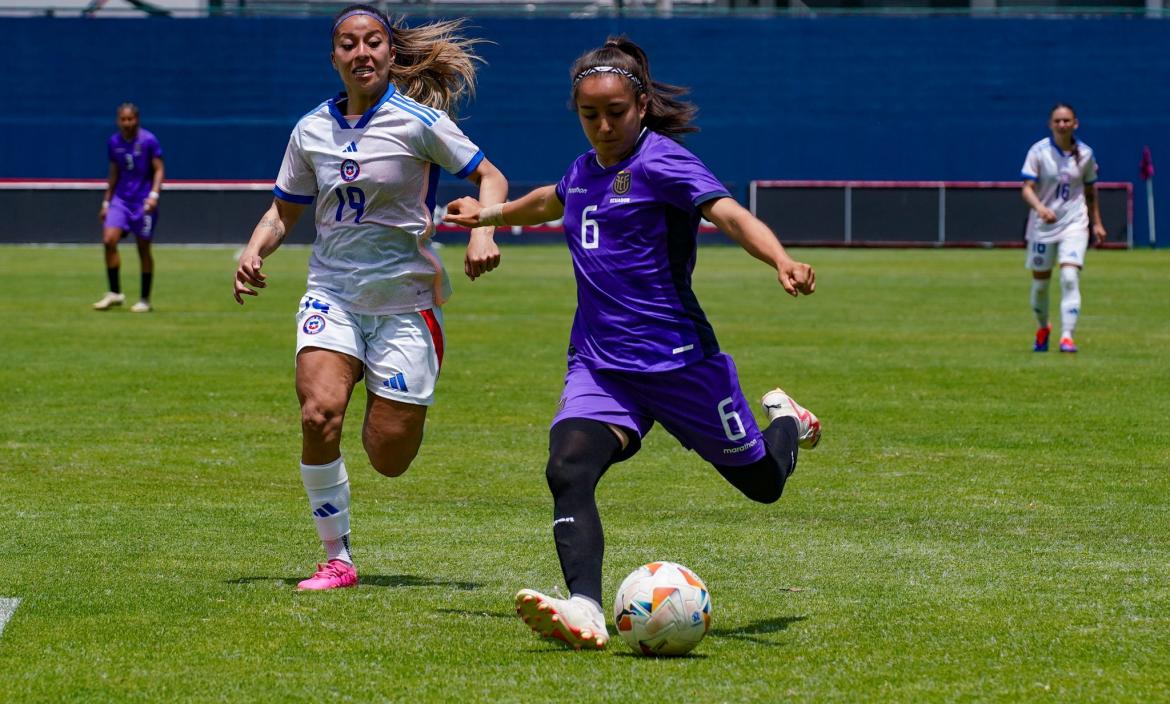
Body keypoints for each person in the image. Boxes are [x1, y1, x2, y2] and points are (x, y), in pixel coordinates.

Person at [444, 36, 820, 650]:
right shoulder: (585, 169)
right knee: (567, 466)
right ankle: (586, 608)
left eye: (614, 113)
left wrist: (779, 258)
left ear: (640, 106)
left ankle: (786, 420)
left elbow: (728, 214)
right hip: (601, 365)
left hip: (679, 365)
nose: (602, 126)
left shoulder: (662, 162)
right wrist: (489, 216)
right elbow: (552, 201)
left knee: (764, 485)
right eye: (589, 115)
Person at [233, 4, 507, 591]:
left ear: (390, 52)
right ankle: (337, 558)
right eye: (350, 44)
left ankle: (393, 394)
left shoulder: (420, 121)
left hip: (405, 302)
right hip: (332, 292)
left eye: (374, 42)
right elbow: (283, 211)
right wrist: (256, 248)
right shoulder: (310, 129)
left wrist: (482, 230)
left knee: (389, 456)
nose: (362, 53)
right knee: (318, 413)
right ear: (334, 57)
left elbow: (492, 178)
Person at [1021, 103, 1107, 353]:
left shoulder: (1086, 154)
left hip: (1074, 223)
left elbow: (1090, 190)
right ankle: (1043, 327)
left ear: (1075, 123)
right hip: (1043, 226)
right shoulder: (1039, 152)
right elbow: (1026, 187)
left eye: (1067, 120)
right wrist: (1040, 208)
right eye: (1057, 121)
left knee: (1069, 277)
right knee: (1040, 286)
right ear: (1050, 124)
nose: (1062, 125)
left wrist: (1097, 222)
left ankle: (1067, 336)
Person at [92, 103, 164, 313]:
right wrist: (106, 202)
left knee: (143, 248)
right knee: (108, 240)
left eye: (130, 119)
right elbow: (114, 172)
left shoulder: (149, 141)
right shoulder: (114, 142)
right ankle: (114, 293)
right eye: (123, 119)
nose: (127, 123)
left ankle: (145, 299)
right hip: (120, 200)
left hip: (143, 201)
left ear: (137, 120)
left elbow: (159, 170)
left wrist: (154, 195)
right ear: (118, 121)